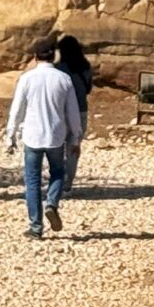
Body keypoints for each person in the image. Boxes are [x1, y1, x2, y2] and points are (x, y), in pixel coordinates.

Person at [1, 33, 85, 239]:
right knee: (58, 172)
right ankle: (52, 203)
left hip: (32, 135)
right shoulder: (64, 79)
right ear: (54, 56)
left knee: (32, 181)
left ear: (35, 57)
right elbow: (73, 112)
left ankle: (36, 227)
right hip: (56, 135)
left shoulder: (27, 79)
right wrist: (76, 137)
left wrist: (10, 135)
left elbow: (17, 109)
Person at [54, 32, 96, 207]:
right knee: (73, 146)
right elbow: (88, 89)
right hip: (80, 110)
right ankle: (68, 183)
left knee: (57, 145)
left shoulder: (58, 68)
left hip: (61, 111)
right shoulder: (85, 66)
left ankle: (56, 181)